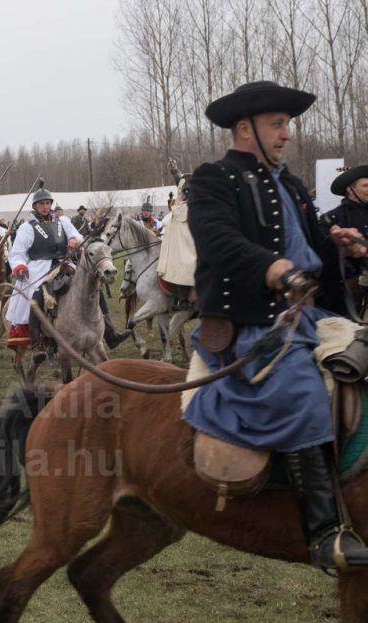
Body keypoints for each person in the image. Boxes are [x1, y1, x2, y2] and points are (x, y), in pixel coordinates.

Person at [185, 80, 368, 570]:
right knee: (300, 392)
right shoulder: (213, 179)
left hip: (310, 316)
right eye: (277, 124)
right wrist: (273, 269)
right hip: (255, 325)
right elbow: (218, 240)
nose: (287, 133)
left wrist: (342, 244)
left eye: (286, 124)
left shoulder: (290, 184)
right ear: (245, 129)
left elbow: (310, 247)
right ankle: (325, 533)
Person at [5, 187, 81, 360]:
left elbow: (77, 235)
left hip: (65, 264)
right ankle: (36, 344)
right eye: (42, 204)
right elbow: (16, 254)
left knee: (89, 285)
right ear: (35, 206)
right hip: (40, 268)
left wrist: (74, 239)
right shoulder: (27, 227)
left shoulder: (63, 221)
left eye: (48, 203)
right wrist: (20, 267)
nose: (46, 207)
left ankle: (108, 329)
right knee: (37, 298)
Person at [319, 164, 368, 317]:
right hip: (350, 296)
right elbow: (324, 257)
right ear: (350, 189)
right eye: (366, 185)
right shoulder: (332, 219)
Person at [157, 174, 196, 310]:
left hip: (186, 247)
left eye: (182, 192)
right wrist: (176, 176)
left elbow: (179, 212)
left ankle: (184, 301)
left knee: (183, 268)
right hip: (177, 245)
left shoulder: (187, 207)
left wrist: (178, 199)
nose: (179, 195)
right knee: (172, 269)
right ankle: (176, 297)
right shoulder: (181, 206)